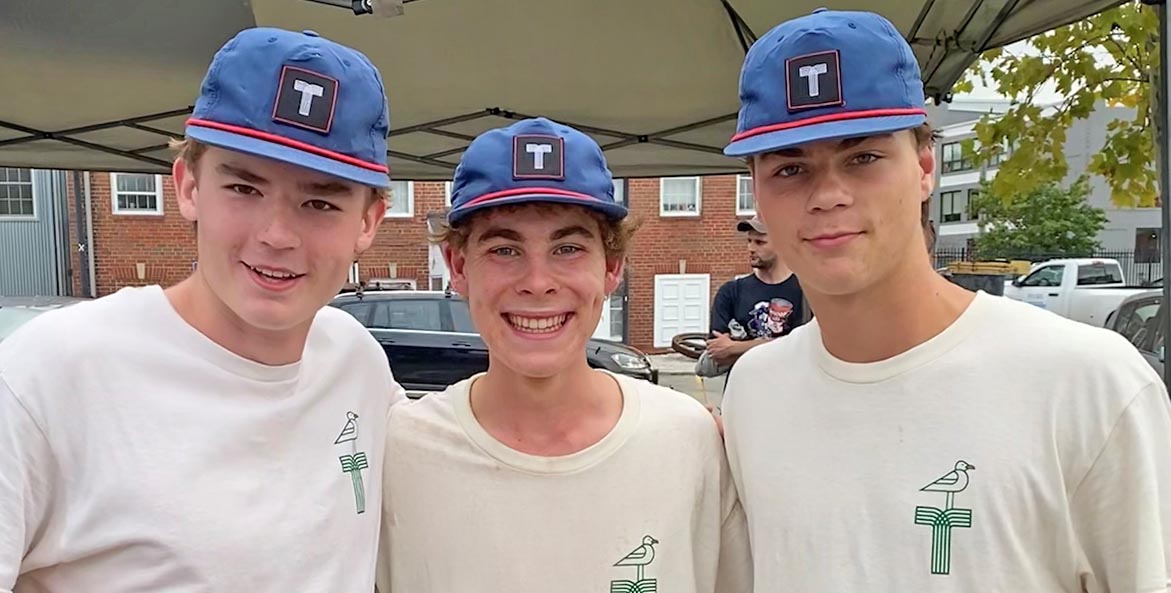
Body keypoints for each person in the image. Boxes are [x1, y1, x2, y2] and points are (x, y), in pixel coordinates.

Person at [720, 8, 1171, 593]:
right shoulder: (756, 390)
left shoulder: (1089, 384)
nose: (828, 194)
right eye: (790, 168)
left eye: (863, 158)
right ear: (757, 191)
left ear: (925, 166)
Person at [0, 27, 405, 592]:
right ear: (188, 185)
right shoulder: (48, 375)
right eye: (244, 188)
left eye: (319, 201)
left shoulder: (356, 360)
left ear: (368, 221)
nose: (277, 235)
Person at [375, 117, 751, 593]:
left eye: (568, 247)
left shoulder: (689, 441)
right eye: (505, 249)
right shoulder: (402, 449)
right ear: (458, 265)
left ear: (612, 266)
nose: (537, 281)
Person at [706, 216, 806, 370]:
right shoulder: (731, 292)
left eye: (760, 242)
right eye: (749, 241)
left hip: (789, 389)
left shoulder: (805, 292)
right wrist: (780, 344)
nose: (751, 248)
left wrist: (736, 347)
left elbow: (802, 348)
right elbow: (719, 354)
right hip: (743, 388)